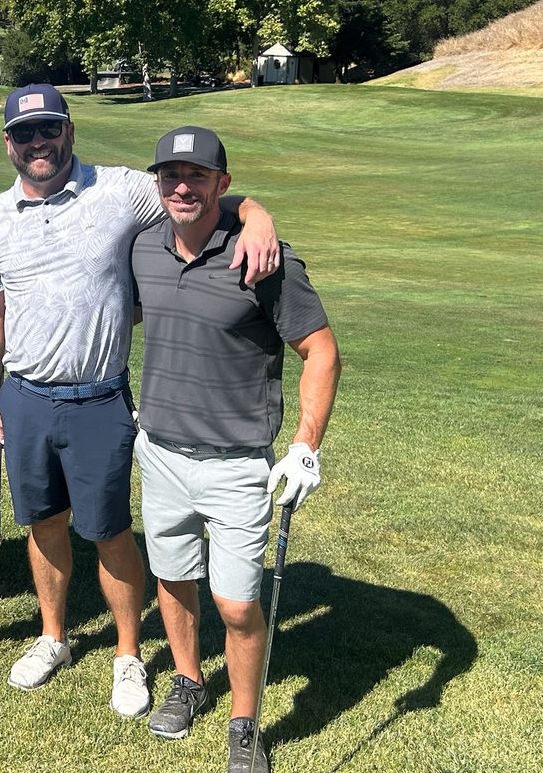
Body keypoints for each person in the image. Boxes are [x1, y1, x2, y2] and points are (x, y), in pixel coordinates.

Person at [0, 85, 281, 718]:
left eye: (49, 129)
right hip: (25, 394)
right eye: (25, 133)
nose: (39, 143)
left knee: (110, 531)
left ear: (69, 131)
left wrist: (258, 216)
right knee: (43, 524)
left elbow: (198, 191)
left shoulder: (118, 189)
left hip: (98, 398)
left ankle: (126, 653)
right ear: (9, 142)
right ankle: (53, 636)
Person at [130, 126, 340, 772]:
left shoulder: (264, 258)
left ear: (223, 183)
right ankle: (190, 680)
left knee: (238, 603)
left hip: (237, 460)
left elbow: (322, 351)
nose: (183, 186)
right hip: (159, 450)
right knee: (171, 577)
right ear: (157, 183)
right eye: (171, 175)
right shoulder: (143, 248)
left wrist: (305, 446)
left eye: (198, 175)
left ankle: (244, 721)